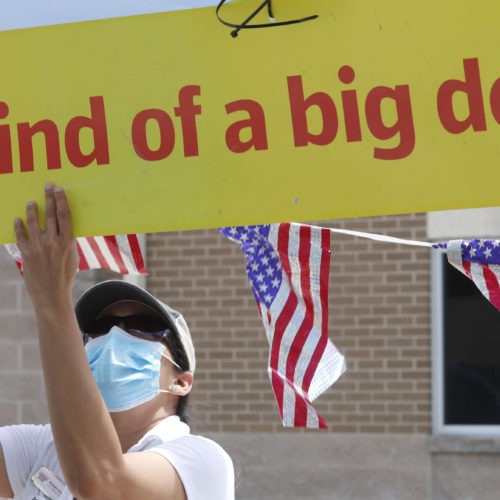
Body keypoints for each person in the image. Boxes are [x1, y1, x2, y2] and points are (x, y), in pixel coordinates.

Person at [0, 184, 235, 499]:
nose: (115, 336)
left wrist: (52, 300)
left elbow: (99, 482)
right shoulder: (40, 448)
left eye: (142, 326)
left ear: (181, 381)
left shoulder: (201, 460)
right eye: (101, 327)